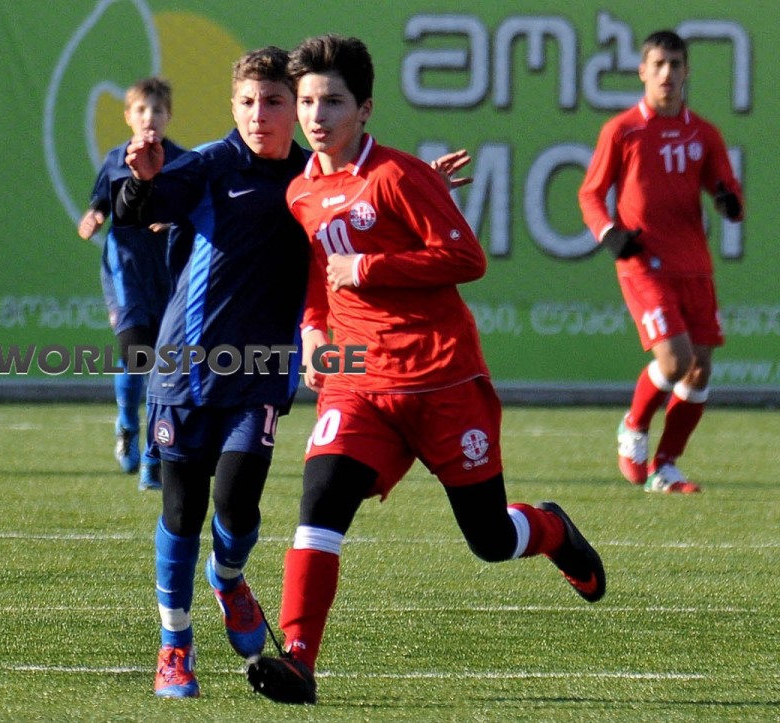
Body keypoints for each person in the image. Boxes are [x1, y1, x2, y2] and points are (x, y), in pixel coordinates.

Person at [245, 35, 607, 705]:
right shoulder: (301, 190)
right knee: (319, 507)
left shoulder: (399, 176)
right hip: (358, 382)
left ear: (365, 109)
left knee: (490, 538)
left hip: (442, 381)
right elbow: (321, 275)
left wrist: (370, 267)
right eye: (308, 102)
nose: (317, 116)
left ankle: (552, 528)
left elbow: (467, 258)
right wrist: (315, 331)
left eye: (333, 101)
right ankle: (298, 659)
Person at [112, 46, 311, 698]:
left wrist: (420, 189)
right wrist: (140, 182)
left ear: (295, 108)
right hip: (183, 373)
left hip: (261, 375)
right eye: (248, 102)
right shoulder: (208, 165)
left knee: (237, 503)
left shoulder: (314, 177)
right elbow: (136, 210)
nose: (259, 114)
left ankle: (227, 577)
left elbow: (373, 205)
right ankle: (175, 645)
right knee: (182, 509)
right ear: (233, 105)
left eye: (274, 101)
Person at [578, 30, 743, 494]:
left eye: (675, 64)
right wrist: (610, 234)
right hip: (643, 262)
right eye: (659, 64)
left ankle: (665, 467)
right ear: (643, 71)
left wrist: (729, 202)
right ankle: (634, 425)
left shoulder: (704, 133)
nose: (667, 73)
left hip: (694, 265)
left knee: (700, 368)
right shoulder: (623, 130)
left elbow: (727, 190)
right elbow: (590, 194)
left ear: (687, 71)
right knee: (675, 361)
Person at [78, 78, 186, 490]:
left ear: (168, 116)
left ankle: (155, 456)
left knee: (167, 367)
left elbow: (194, 211)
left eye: (157, 110)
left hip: (170, 275)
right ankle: (128, 425)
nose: (149, 117)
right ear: (128, 116)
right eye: (141, 110)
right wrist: (94, 217)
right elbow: (100, 203)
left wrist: (175, 220)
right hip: (125, 273)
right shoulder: (115, 160)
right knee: (137, 352)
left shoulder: (182, 162)